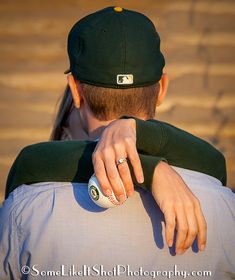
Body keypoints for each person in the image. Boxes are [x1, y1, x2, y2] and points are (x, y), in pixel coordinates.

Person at [0, 6, 234, 279]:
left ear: (75, 90)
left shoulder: (26, 209)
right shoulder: (224, 209)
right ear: (162, 88)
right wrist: (149, 166)